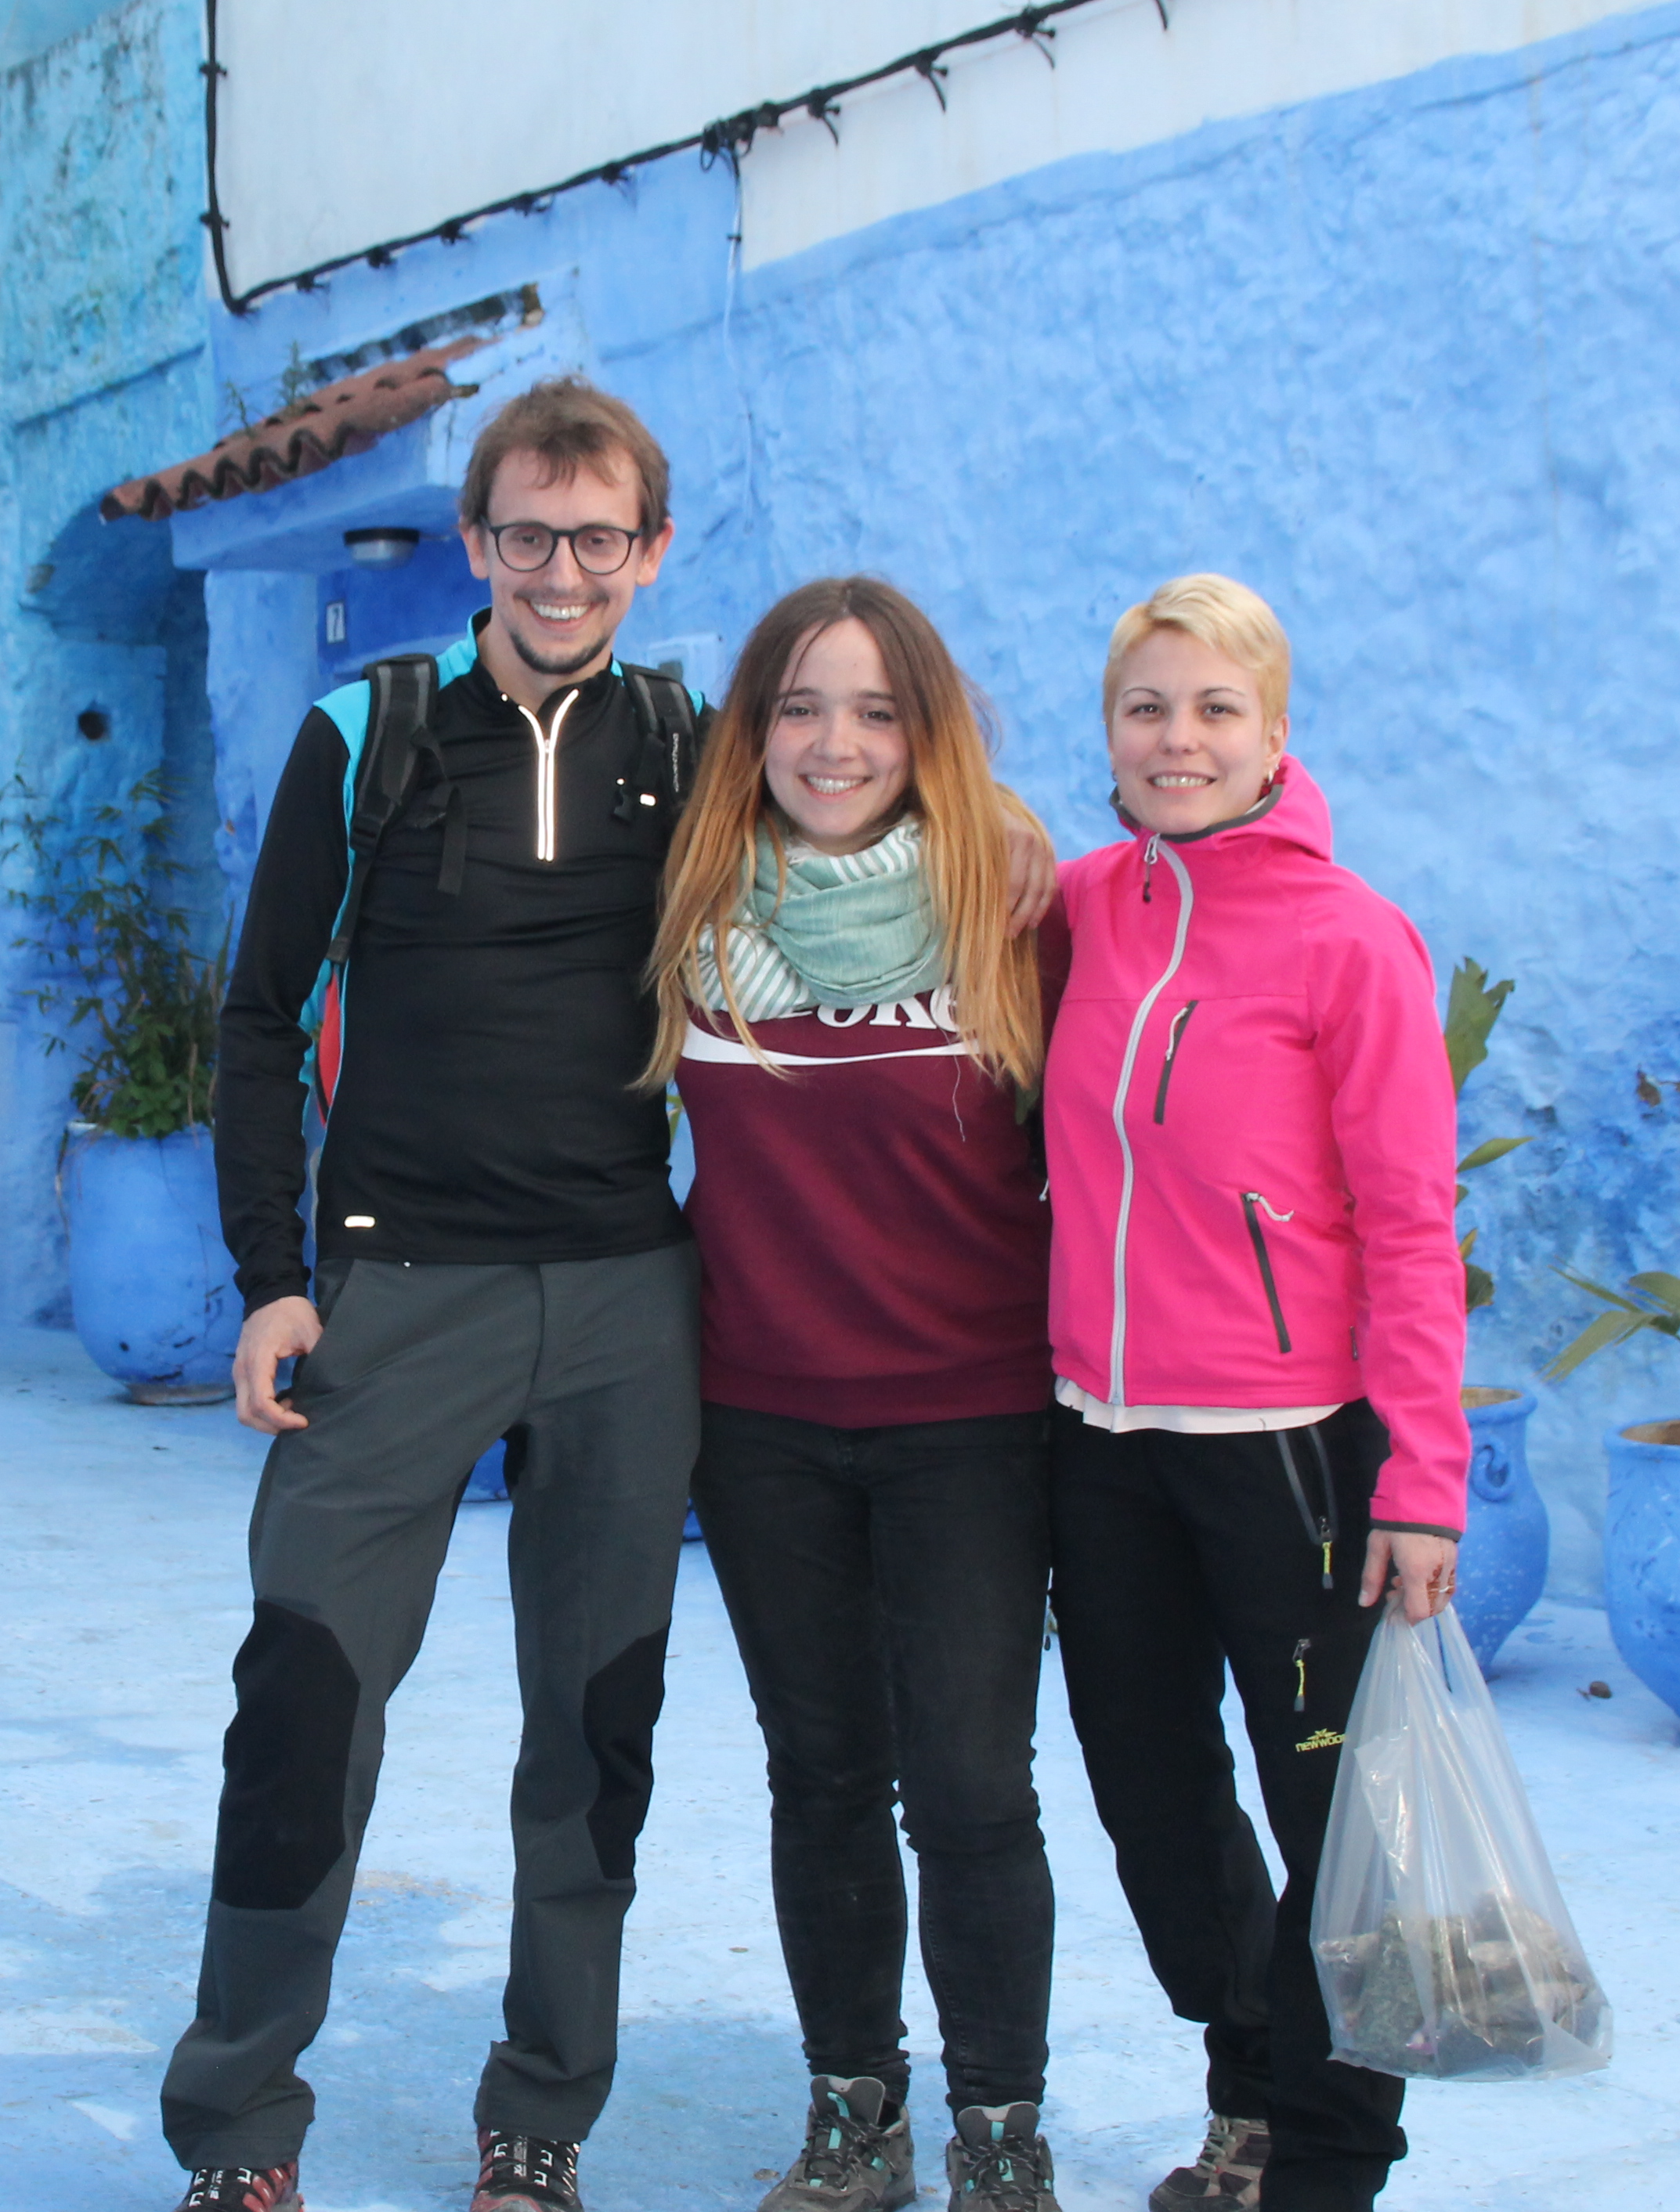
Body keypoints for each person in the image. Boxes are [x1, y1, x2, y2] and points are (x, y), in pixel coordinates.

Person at [159, 376, 708, 2212]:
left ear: (650, 548)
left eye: (600, 537)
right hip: (397, 1293)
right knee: (304, 1702)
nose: (565, 570)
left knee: (595, 1732)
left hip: (630, 1297)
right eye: (531, 535)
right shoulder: (368, 729)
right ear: (478, 544)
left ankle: (542, 2116)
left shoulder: (688, 746)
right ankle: (238, 2133)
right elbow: (254, 1019)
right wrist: (270, 1277)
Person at [1039, 575, 1467, 2212]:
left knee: (1329, 1820)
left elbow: (1414, 1225)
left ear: (1275, 732)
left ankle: (1328, 2154)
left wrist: (1423, 1476)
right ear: (1113, 732)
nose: (1179, 738)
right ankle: (1249, 2087)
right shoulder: (1082, 907)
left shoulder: (1349, 938)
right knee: (1155, 1808)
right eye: (1149, 707)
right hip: (1106, 1443)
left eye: (1216, 708)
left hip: (1293, 1453)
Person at [647, 579, 1068, 2212]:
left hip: (971, 1420)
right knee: (820, 1772)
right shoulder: (690, 910)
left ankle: (999, 2127)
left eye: (879, 709)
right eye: (803, 707)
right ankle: (854, 2113)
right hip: (759, 1423)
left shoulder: (1014, 905)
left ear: (930, 730)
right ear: (752, 730)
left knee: (970, 1782)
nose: (837, 742)